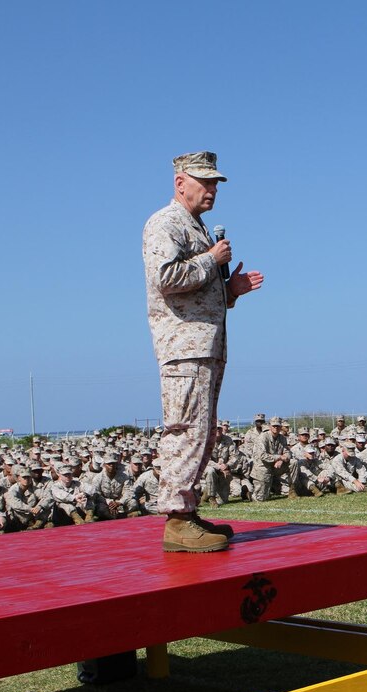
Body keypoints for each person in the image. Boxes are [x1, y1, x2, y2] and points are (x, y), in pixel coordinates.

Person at [143, 151, 263, 552]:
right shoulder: (166, 223)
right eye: (205, 181)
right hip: (184, 347)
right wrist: (212, 260)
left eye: (215, 183)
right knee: (185, 428)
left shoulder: (196, 227)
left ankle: (187, 511)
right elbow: (167, 278)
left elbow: (198, 293)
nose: (212, 189)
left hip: (205, 344)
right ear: (181, 182)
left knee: (202, 431)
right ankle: (176, 521)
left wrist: (231, 291)